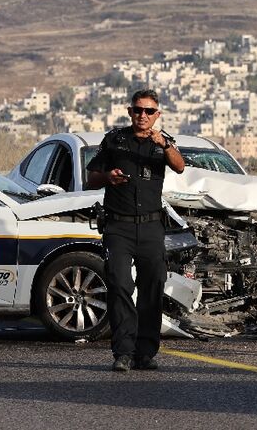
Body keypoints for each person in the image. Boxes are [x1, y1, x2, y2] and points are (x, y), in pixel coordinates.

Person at [86, 89, 185, 372]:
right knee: (119, 285)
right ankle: (123, 352)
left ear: (157, 115)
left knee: (152, 288)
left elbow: (179, 166)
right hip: (119, 226)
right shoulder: (115, 140)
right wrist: (108, 177)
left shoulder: (163, 143)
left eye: (149, 111)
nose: (143, 116)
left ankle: (146, 352)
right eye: (138, 110)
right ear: (130, 112)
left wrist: (164, 144)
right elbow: (91, 178)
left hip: (152, 226)